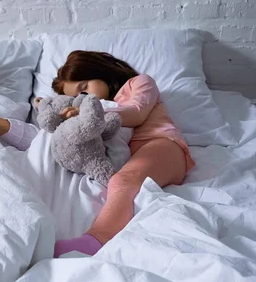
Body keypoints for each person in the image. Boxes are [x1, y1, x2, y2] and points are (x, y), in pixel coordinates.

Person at [50, 50, 195, 258]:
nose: (84, 98)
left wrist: (90, 113)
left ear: (100, 71)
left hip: (164, 145)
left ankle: (96, 240)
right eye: (76, 98)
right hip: (130, 156)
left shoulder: (139, 83)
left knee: (122, 181)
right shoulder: (103, 108)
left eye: (84, 89)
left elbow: (138, 112)